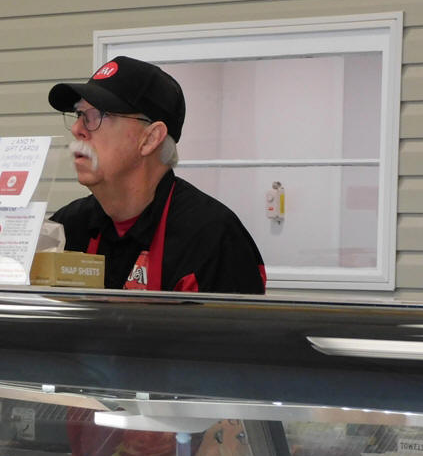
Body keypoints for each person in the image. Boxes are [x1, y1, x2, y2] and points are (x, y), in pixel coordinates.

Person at [48, 55, 266, 294]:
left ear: (150, 139)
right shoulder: (68, 227)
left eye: (98, 115)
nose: (77, 129)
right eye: (79, 115)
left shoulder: (212, 239)